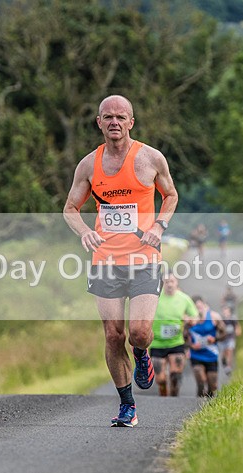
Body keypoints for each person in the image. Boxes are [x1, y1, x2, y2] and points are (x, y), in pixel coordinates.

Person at [63, 94, 178, 427]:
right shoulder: (88, 165)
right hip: (106, 260)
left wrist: (160, 224)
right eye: (107, 117)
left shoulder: (150, 159)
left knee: (139, 332)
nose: (114, 122)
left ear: (131, 122)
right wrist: (84, 231)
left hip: (144, 258)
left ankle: (142, 355)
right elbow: (70, 208)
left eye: (120, 116)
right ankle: (128, 405)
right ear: (99, 122)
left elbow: (170, 195)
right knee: (113, 335)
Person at [149, 274, 198, 397]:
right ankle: (164, 397)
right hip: (157, 343)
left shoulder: (184, 298)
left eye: (172, 281)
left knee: (176, 376)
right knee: (160, 380)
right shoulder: (154, 298)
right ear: (162, 284)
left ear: (177, 283)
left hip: (176, 342)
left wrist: (190, 320)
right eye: (166, 281)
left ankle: (174, 399)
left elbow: (195, 316)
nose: (169, 284)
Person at [187, 295, 225, 398]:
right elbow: (184, 336)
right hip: (196, 355)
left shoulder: (214, 317)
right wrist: (191, 346)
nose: (198, 309)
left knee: (213, 386)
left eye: (200, 306)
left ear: (204, 305)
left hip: (211, 354)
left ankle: (208, 405)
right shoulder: (190, 320)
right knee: (201, 381)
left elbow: (224, 334)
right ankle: (198, 403)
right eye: (196, 307)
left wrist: (215, 339)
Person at [218, 305, 241, 377]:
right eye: (224, 311)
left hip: (231, 338)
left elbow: (237, 326)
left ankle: (228, 367)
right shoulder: (220, 319)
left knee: (229, 351)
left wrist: (238, 331)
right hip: (222, 339)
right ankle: (224, 362)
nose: (226, 312)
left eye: (227, 311)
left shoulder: (233, 318)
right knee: (224, 353)